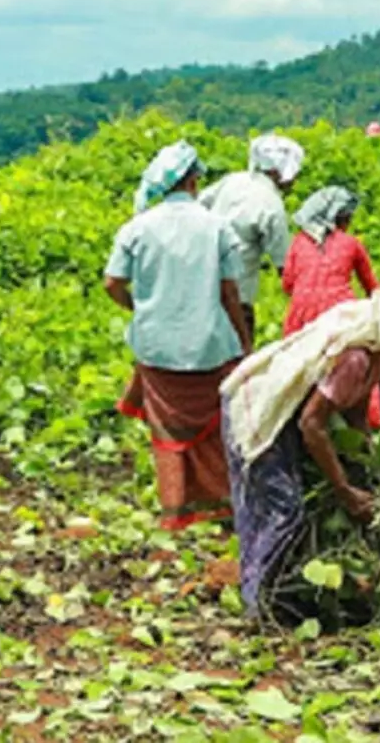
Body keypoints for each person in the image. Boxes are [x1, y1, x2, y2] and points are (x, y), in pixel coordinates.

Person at [221, 282, 380, 623]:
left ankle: (289, 591)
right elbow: (313, 424)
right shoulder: (353, 356)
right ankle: (258, 604)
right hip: (261, 411)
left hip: (295, 414)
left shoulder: (379, 355)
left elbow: (353, 410)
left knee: (320, 495)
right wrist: (343, 489)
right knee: (282, 508)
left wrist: (368, 462)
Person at [106, 142, 252, 532]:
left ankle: (176, 511)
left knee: (168, 431)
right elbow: (229, 292)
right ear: (191, 180)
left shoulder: (137, 227)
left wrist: (139, 308)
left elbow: (112, 282)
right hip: (209, 345)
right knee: (215, 429)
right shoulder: (216, 226)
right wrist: (244, 340)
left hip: (156, 348)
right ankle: (221, 507)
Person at [198, 133, 303, 335]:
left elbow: (198, 205)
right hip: (237, 297)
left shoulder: (233, 180)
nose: (295, 179)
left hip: (200, 283)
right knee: (239, 358)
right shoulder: (272, 206)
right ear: (277, 172)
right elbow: (284, 264)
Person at [282, 187, 379, 336]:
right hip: (340, 315)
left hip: (300, 318)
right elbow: (372, 288)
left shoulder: (298, 242)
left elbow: (287, 284)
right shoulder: (351, 243)